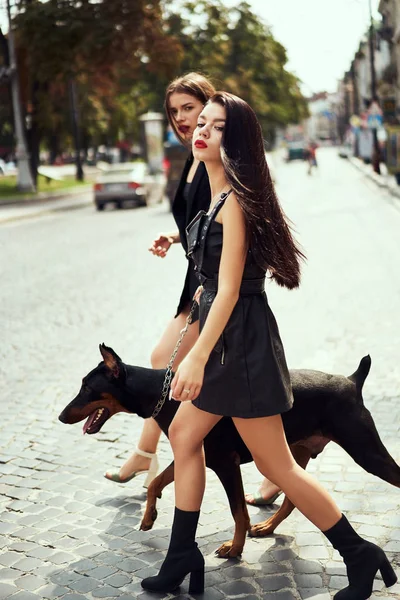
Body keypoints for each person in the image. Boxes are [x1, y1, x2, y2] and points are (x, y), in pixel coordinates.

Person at [141, 92, 397, 597]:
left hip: (241, 351)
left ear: (234, 140)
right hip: (229, 342)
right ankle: (181, 555)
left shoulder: (235, 200)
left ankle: (359, 553)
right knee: (185, 437)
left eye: (215, 126)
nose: (202, 131)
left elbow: (232, 290)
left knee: (276, 466)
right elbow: (214, 278)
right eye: (201, 124)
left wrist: (195, 353)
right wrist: (177, 246)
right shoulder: (215, 194)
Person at [104, 73, 216, 485]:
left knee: (165, 363)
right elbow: (199, 219)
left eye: (190, 108)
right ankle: (144, 452)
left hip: (212, 283)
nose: (182, 118)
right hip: (195, 278)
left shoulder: (213, 155)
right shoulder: (192, 156)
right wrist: (175, 235)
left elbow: (227, 216)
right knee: (220, 374)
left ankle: (145, 453)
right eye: (175, 111)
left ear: (209, 104)